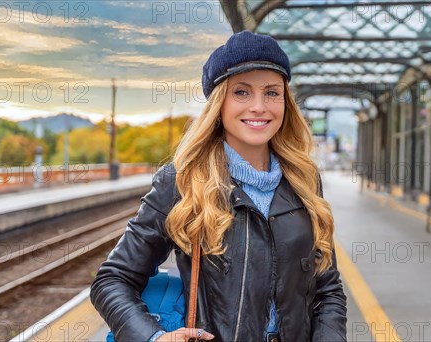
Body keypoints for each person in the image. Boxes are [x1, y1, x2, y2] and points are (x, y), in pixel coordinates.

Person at [90, 30, 347, 342]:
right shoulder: (184, 181)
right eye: (241, 92)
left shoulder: (304, 180)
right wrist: (153, 338)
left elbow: (328, 289)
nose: (259, 107)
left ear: (285, 102)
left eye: (271, 92)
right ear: (218, 103)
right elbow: (113, 279)